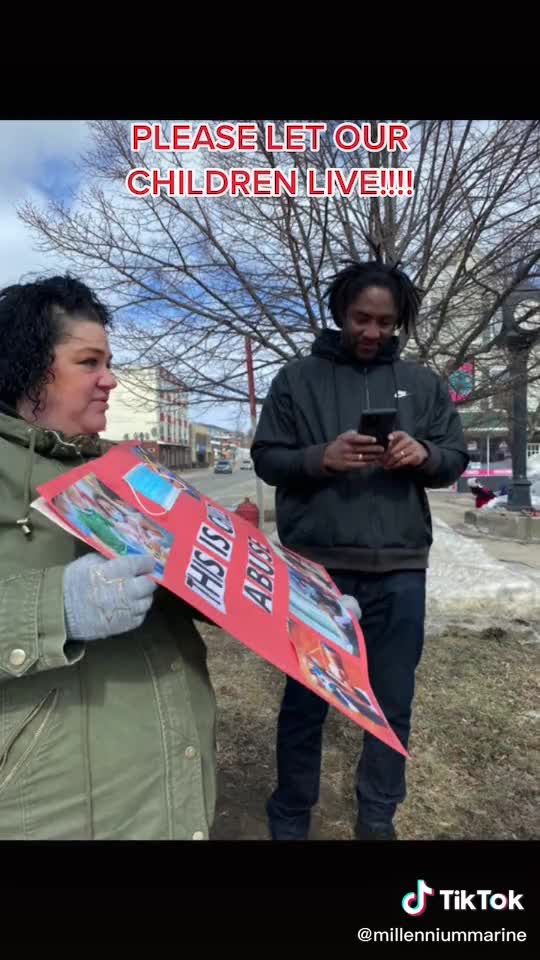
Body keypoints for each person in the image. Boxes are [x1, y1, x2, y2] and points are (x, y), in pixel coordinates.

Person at [252, 258, 469, 841]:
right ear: (340, 313)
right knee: (306, 704)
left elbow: (454, 459)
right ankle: (291, 815)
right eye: (361, 318)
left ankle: (377, 816)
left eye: (385, 322)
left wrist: (423, 454)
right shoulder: (297, 380)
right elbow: (267, 458)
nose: (372, 332)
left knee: (390, 701)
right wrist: (318, 458)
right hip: (316, 572)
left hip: (399, 570)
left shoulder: (423, 385)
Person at [0, 275, 216, 840]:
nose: (110, 380)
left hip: (171, 793)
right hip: (53, 813)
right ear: (26, 365)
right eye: (89, 362)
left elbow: (181, 581)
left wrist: (285, 602)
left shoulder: (130, 474)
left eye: (109, 361)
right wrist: (54, 608)